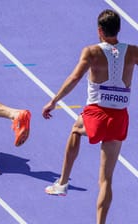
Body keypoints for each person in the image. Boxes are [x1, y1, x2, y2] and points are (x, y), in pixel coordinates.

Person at [42, 9, 138, 224]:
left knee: (76, 129)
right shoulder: (133, 52)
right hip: (119, 118)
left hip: (96, 113)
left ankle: (63, 183)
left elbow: (75, 78)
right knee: (106, 180)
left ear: (99, 31)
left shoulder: (91, 52)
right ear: (119, 30)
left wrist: (54, 100)